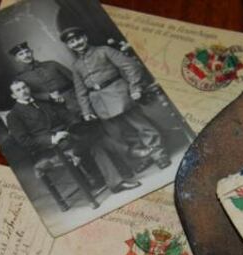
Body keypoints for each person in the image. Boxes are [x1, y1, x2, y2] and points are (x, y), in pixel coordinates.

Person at [7, 79, 140, 199]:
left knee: (94, 132)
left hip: (69, 137)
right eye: (18, 90)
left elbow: (65, 115)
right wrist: (51, 138)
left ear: (29, 88)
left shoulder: (43, 103)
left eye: (24, 87)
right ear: (13, 96)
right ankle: (125, 160)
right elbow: (24, 141)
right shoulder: (14, 115)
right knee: (95, 141)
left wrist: (75, 124)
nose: (23, 91)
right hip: (50, 148)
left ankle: (113, 178)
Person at [60, 26, 171, 170]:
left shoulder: (104, 50)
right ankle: (146, 156)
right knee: (124, 132)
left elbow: (131, 66)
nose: (76, 43)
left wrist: (135, 88)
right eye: (72, 42)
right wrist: (86, 112)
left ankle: (159, 154)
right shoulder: (76, 66)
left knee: (142, 127)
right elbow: (80, 91)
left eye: (78, 39)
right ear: (69, 46)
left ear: (85, 38)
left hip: (119, 94)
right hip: (101, 104)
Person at [9, 42, 79, 115]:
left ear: (32, 52)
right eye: (21, 54)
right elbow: (29, 94)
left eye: (27, 52)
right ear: (17, 59)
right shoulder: (21, 77)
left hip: (73, 98)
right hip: (52, 106)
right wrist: (48, 96)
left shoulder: (52, 64)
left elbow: (75, 78)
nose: (26, 55)